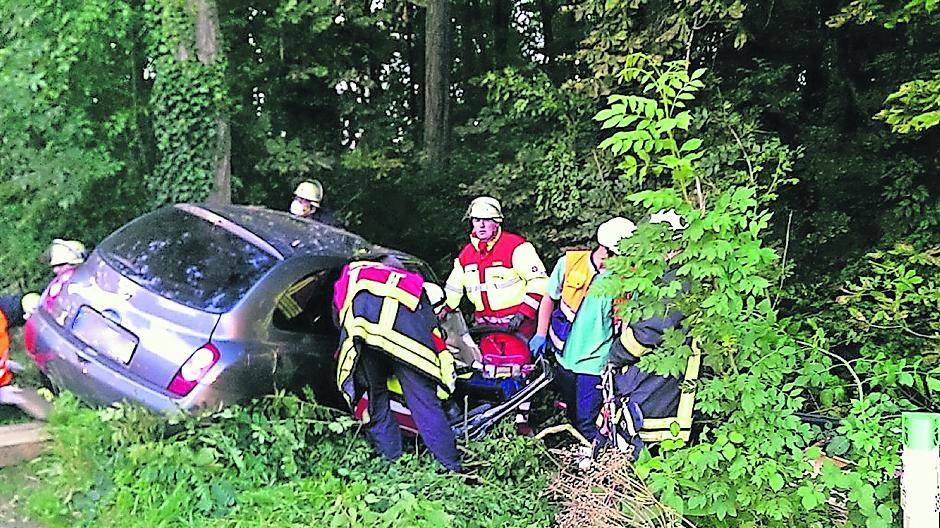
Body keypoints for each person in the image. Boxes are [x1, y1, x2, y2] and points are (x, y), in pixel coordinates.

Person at [332, 256, 461, 472]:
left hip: (366, 337)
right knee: (425, 404)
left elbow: (339, 319)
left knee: (377, 400)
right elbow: (433, 332)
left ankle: (394, 464)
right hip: (408, 346)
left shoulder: (351, 275)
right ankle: (452, 468)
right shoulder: (413, 283)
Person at [529, 217, 636, 443]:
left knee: (588, 421)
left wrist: (620, 358)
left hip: (596, 362)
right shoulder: (569, 264)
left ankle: (599, 465)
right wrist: (540, 333)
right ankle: (581, 456)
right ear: (607, 250)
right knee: (573, 413)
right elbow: (549, 297)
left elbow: (626, 319)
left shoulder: (628, 278)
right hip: (565, 356)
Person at [601, 209, 696, 459]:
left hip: (664, 386)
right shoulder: (670, 274)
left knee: (651, 455)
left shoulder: (678, 278)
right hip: (661, 380)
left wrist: (615, 355)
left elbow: (650, 331)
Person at [442, 196, 548, 338]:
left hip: (519, 327)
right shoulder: (466, 255)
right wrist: (441, 311)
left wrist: (523, 313)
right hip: (486, 329)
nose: (481, 225)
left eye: (486, 220)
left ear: (497, 222)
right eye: (477, 220)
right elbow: (453, 290)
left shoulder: (516, 247)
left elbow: (539, 282)